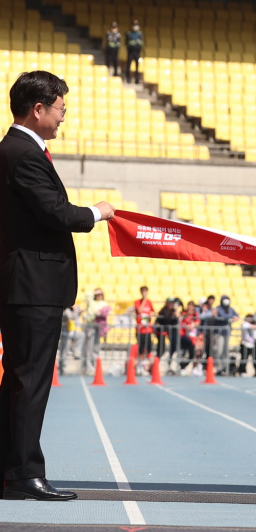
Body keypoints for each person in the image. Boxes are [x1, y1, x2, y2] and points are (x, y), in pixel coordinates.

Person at [0, 70, 115, 501]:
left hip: (26, 284)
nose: (64, 116)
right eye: (61, 107)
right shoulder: (23, 154)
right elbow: (58, 213)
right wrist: (98, 211)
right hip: (33, 286)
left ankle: (12, 469)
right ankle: (26, 472)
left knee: (18, 379)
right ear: (39, 108)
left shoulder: (18, 150)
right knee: (30, 382)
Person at [84, 288, 110, 375]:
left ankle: (95, 366)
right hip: (91, 325)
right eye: (98, 294)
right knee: (89, 347)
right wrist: (95, 291)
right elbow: (88, 294)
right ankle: (88, 367)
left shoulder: (104, 303)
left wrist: (99, 313)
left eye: (101, 294)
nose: (99, 296)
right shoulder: (92, 302)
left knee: (96, 347)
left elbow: (106, 312)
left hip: (99, 326)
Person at [155, 297, 179, 374]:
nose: (171, 304)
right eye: (169, 303)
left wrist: (176, 311)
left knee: (174, 347)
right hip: (162, 333)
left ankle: (170, 366)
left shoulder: (174, 311)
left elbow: (178, 319)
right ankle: (156, 366)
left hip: (171, 333)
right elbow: (160, 321)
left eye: (172, 303)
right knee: (161, 349)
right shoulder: (163, 311)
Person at [57, 304, 84, 375]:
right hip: (65, 334)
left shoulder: (71, 310)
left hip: (71, 332)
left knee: (81, 335)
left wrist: (79, 312)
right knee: (64, 352)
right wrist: (76, 311)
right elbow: (72, 317)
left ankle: (76, 351)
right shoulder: (66, 311)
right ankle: (62, 368)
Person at [178, 301, 200, 375]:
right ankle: (181, 368)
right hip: (184, 336)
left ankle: (184, 366)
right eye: (189, 305)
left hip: (192, 338)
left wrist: (194, 324)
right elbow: (180, 319)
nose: (190, 307)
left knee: (191, 355)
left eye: (192, 306)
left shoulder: (195, 314)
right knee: (183, 353)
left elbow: (197, 322)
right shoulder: (184, 313)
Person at [134, 286, 154, 363]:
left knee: (149, 347)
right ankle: (140, 362)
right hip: (140, 329)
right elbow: (139, 310)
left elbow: (154, 311)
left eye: (146, 291)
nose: (144, 293)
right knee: (141, 347)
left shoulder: (149, 302)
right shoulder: (137, 302)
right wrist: (144, 300)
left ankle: (146, 362)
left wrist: (152, 315)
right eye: (143, 291)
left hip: (148, 329)